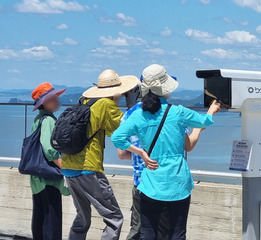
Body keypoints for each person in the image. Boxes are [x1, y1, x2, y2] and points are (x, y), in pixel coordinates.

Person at [112, 64, 220, 240]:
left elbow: (117, 138)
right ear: (165, 88)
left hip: (150, 183)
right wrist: (211, 111)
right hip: (177, 183)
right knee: (176, 233)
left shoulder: (138, 116)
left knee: (148, 232)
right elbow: (204, 122)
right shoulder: (178, 112)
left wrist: (140, 153)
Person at [61, 69, 139, 240]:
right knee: (114, 217)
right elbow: (126, 128)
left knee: (82, 218)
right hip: (88, 169)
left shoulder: (84, 101)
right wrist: (131, 105)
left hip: (68, 166)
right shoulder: (106, 105)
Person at [30, 82, 70, 240]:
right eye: (54, 98)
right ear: (45, 102)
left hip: (37, 177)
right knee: (52, 219)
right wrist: (64, 167)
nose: (58, 100)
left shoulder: (38, 119)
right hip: (49, 178)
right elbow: (49, 149)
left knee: (40, 216)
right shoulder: (48, 121)